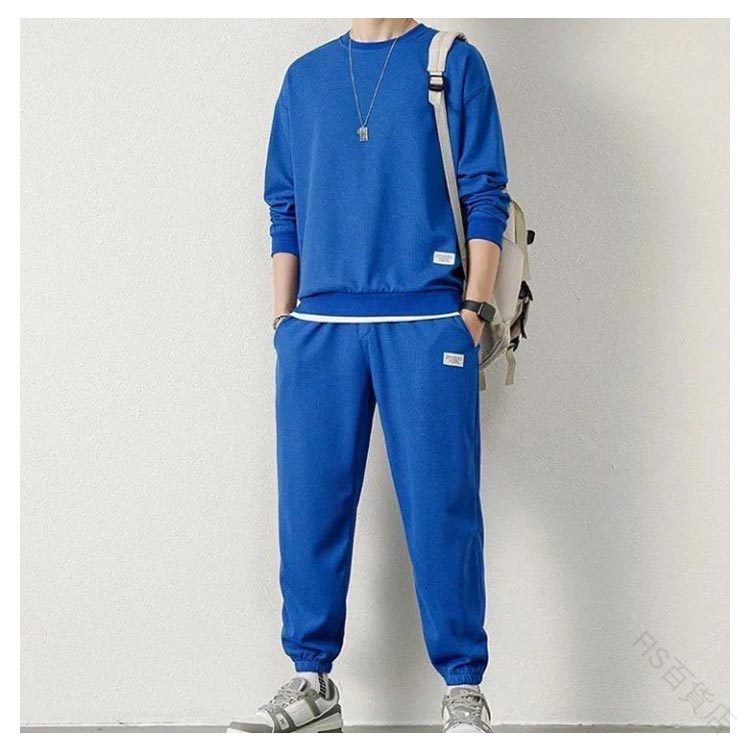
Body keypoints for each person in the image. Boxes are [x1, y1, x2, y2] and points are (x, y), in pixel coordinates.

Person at [258, 17, 508, 733]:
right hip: (319, 328)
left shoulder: (452, 62)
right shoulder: (304, 77)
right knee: (309, 507)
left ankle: (463, 687)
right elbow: (284, 206)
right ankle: (312, 682)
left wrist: (474, 310)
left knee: (442, 507)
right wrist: (283, 321)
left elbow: (485, 192)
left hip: (428, 321)